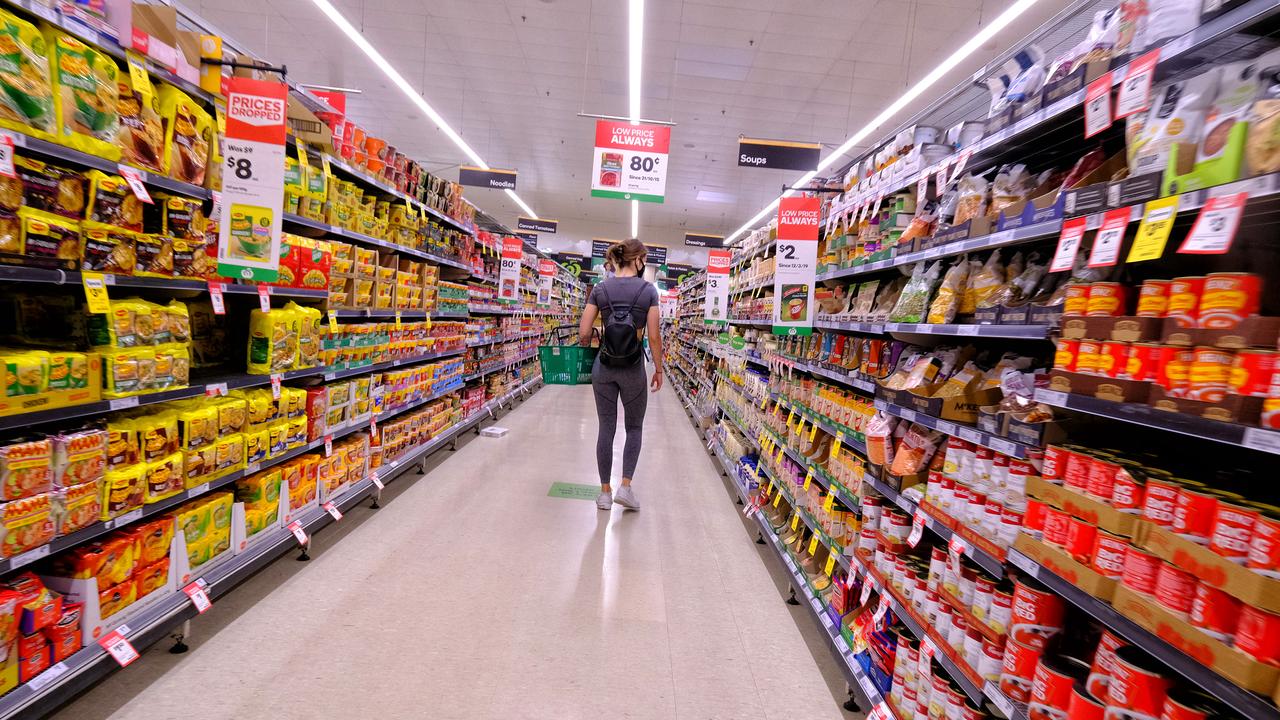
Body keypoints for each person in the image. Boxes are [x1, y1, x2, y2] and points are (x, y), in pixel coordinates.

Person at [578, 238, 663, 511]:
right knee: (634, 427)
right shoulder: (648, 291)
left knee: (606, 427)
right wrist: (659, 369)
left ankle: (604, 493)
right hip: (633, 369)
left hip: (604, 367)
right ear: (638, 260)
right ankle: (625, 487)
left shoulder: (600, 289)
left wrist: (596, 339)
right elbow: (653, 335)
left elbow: (582, 333)